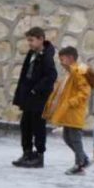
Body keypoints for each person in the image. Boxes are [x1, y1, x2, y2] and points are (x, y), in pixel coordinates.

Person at [43, 46, 94, 175]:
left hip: (74, 112)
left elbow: (84, 91)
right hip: (69, 112)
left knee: (75, 139)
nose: (61, 62)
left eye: (62, 59)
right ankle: (83, 159)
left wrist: (71, 102)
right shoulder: (71, 73)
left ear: (70, 58)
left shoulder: (78, 72)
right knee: (68, 138)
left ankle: (80, 164)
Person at [11, 27, 57, 168]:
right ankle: (27, 152)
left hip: (38, 99)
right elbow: (25, 74)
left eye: (32, 40)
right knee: (25, 125)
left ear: (41, 39)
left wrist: (36, 89)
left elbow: (51, 76)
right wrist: (22, 93)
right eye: (28, 40)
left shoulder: (46, 56)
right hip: (28, 98)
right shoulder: (32, 54)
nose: (29, 43)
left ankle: (39, 155)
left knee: (38, 127)